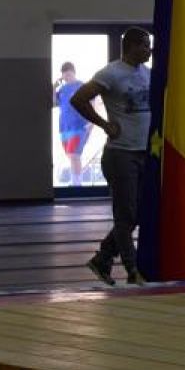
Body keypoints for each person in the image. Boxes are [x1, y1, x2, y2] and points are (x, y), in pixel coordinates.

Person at [71, 27, 152, 286]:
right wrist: (104, 124)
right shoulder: (111, 73)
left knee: (138, 213)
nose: (149, 50)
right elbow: (78, 99)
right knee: (125, 216)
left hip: (144, 152)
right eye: (145, 45)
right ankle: (132, 269)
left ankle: (103, 258)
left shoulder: (148, 73)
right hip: (121, 154)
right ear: (132, 47)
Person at [52, 62, 92, 185]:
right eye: (64, 74)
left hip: (79, 126)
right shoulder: (62, 90)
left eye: (68, 73)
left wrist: (91, 124)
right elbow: (54, 103)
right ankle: (75, 180)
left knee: (74, 154)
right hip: (64, 128)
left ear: (74, 72)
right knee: (70, 155)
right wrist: (54, 87)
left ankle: (77, 184)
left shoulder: (82, 86)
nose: (66, 76)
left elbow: (93, 103)